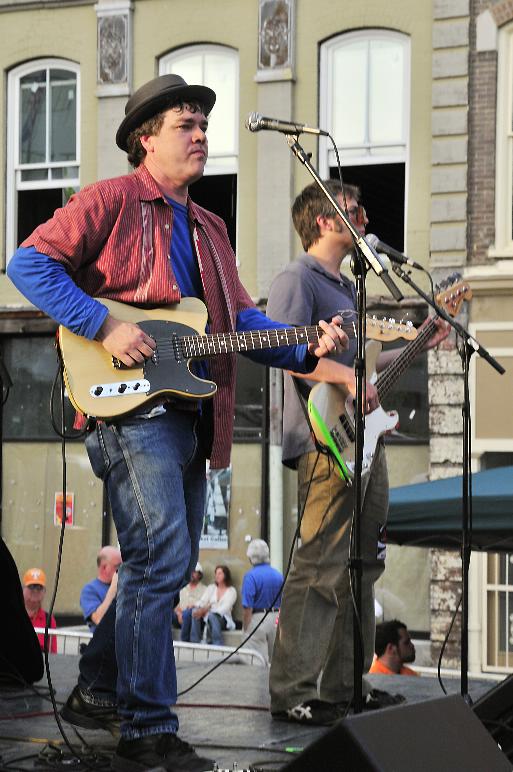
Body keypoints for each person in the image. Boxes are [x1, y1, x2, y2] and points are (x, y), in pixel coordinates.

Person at [6, 74, 347, 771]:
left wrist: (306, 344)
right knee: (160, 558)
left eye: (203, 125)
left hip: (192, 411)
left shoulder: (210, 228)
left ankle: (98, 686)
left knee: (163, 563)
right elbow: (27, 263)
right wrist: (103, 322)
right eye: (185, 125)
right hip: (130, 409)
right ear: (146, 139)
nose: (200, 135)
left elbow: (240, 322)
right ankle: (148, 727)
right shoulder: (109, 200)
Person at [266, 179, 449, 727]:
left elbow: (362, 368)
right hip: (325, 439)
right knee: (319, 565)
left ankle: (347, 688)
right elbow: (287, 352)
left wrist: (422, 340)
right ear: (324, 220)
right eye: (354, 209)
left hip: (364, 438)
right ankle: (293, 691)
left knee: (364, 565)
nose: (365, 217)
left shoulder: (349, 287)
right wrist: (345, 382)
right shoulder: (297, 278)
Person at [241, 539, 283, 665]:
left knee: (256, 660)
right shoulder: (278, 575)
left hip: (257, 618)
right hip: (276, 618)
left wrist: (246, 628)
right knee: (275, 660)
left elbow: (247, 607)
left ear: (251, 557)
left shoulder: (250, 576)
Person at [190, 565, 236, 645]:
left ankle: (217, 643)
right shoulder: (211, 588)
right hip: (207, 615)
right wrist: (197, 606)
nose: (217, 576)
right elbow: (202, 601)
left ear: (226, 575)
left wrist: (206, 610)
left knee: (212, 616)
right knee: (195, 611)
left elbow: (224, 609)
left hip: (223, 619)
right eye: (216, 573)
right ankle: (195, 641)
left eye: (220, 573)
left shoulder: (231, 591)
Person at [80, 546, 122, 631]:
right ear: (104, 567)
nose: (121, 570)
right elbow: (98, 619)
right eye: (118, 567)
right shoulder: (89, 590)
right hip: (105, 638)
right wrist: (113, 588)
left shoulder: (124, 586)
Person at [22, 568, 57, 654]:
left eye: (39, 588)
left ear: (44, 592)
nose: (35, 591)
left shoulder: (49, 620)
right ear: (23, 589)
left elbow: (53, 653)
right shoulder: (13, 615)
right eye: (31, 587)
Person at [176, 562, 207, 641]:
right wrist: (179, 614)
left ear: (199, 575)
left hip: (194, 618)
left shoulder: (205, 589)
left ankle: (184, 641)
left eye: (194, 572)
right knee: (165, 612)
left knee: (188, 613)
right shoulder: (182, 587)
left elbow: (204, 607)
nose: (191, 574)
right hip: (180, 617)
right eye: (190, 571)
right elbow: (176, 605)